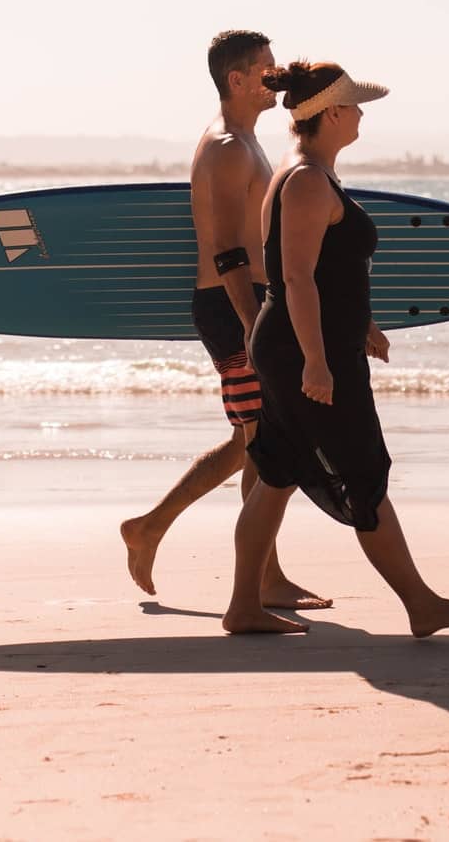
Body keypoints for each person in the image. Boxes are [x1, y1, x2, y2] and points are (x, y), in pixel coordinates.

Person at [223, 61, 449, 637]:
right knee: (363, 468)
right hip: (303, 348)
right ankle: (421, 604)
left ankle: (244, 606)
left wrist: (362, 322)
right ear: (332, 113)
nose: (363, 114)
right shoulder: (308, 182)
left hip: (298, 341)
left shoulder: (311, 174)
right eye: (356, 106)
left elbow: (329, 270)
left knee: (277, 469)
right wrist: (317, 360)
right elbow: (296, 278)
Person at [121, 31, 324, 609]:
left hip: (248, 302)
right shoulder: (230, 146)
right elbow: (228, 252)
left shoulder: (247, 142)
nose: (274, 72)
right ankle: (152, 526)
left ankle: (263, 573)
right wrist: (255, 324)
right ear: (237, 80)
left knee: (258, 440)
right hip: (235, 305)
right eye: (265, 67)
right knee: (259, 441)